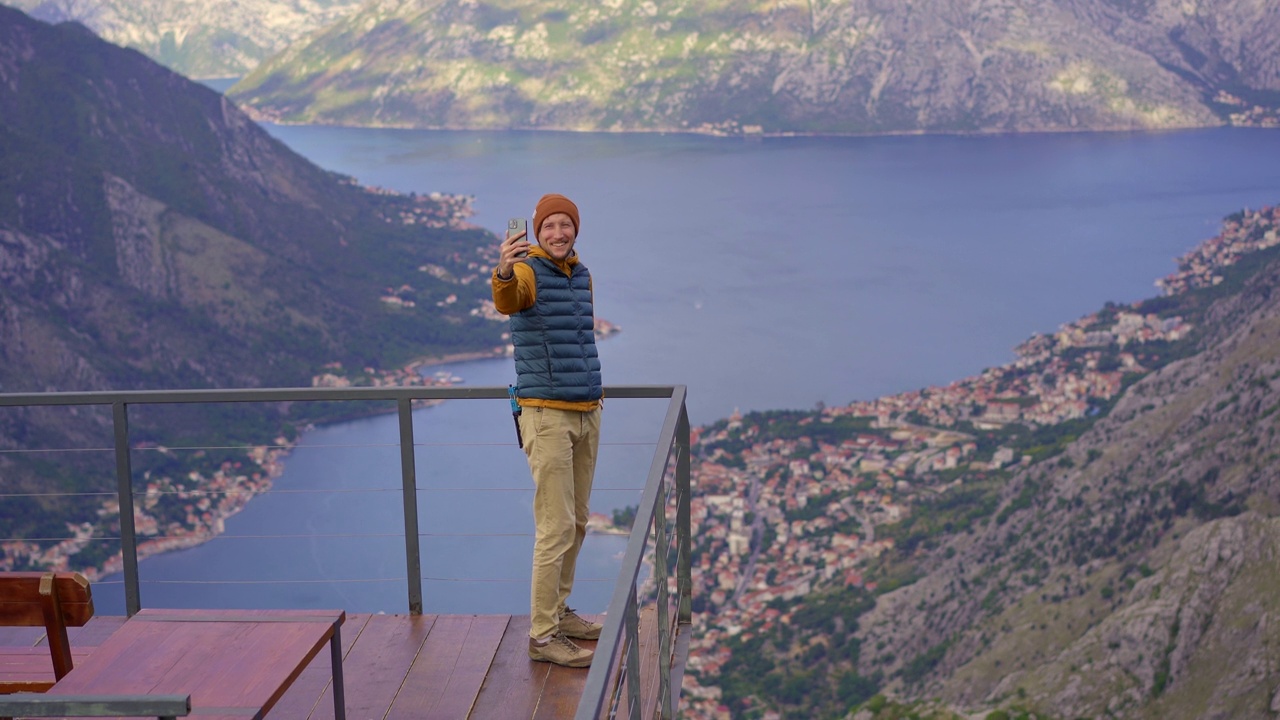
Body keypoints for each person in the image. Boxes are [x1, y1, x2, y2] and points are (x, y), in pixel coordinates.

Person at [492, 193, 604, 668]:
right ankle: (542, 636)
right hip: (547, 415)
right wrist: (502, 270)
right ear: (536, 232)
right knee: (554, 527)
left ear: (575, 229)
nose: (559, 233)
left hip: (586, 411)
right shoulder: (526, 272)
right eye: (550, 226)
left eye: (566, 225)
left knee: (577, 523)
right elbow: (507, 301)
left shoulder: (581, 275)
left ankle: (559, 612)